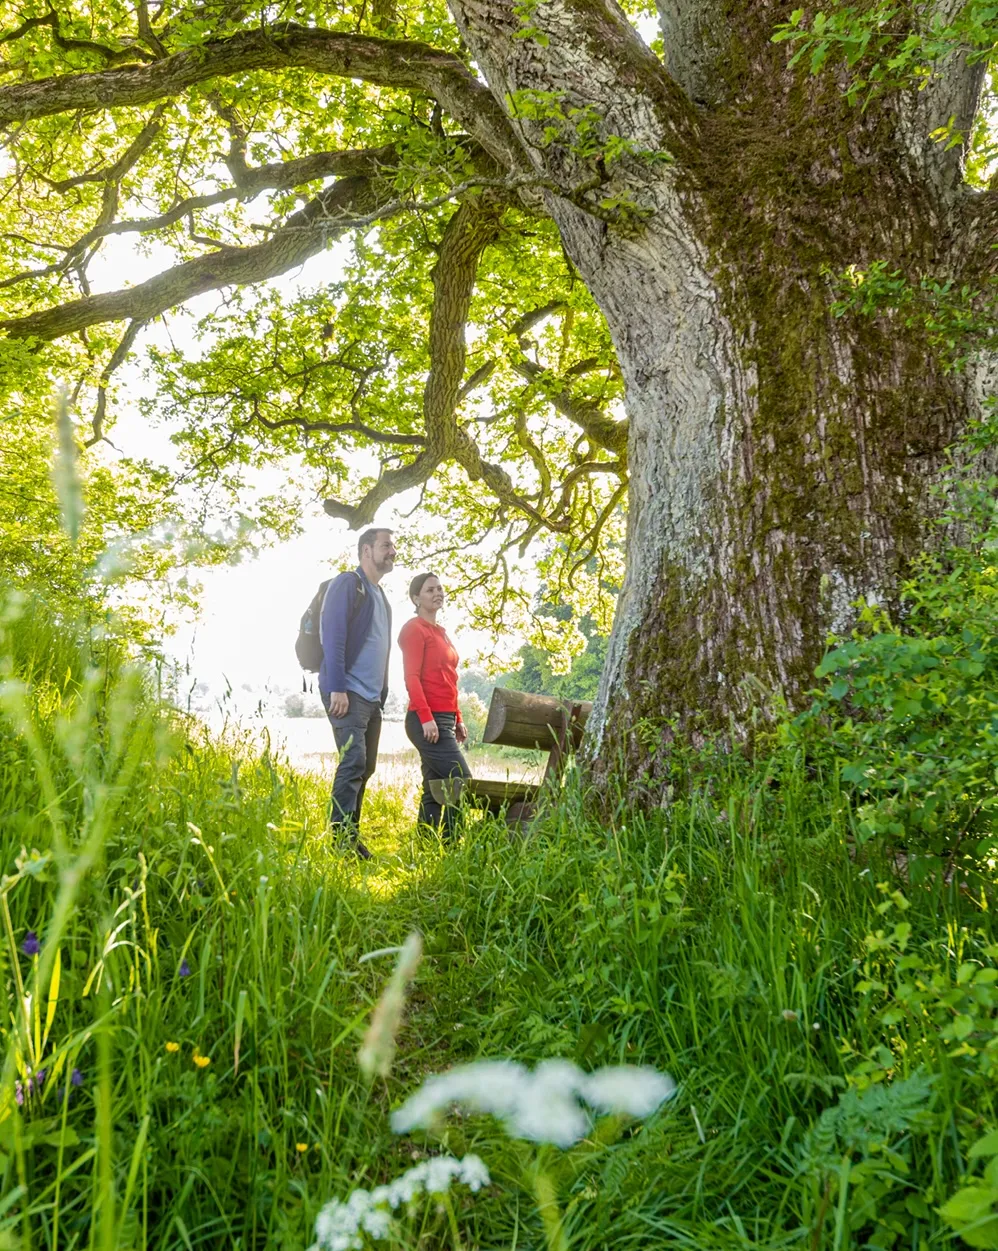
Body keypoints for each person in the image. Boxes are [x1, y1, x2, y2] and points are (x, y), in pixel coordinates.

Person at [318, 528, 396, 859]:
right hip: (346, 691)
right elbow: (332, 636)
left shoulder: (382, 597)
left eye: (393, 545)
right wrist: (337, 686)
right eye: (386, 545)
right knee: (353, 762)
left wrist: (382, 692)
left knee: (365, 767)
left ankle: (351, 836)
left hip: (370, 698)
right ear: (367, 550)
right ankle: (340, 843)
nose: (393, 550)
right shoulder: (348, 584)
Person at [398, 572, 471, 838]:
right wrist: (427, 717)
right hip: (424, 720)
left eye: (440, 588)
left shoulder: (441, 632)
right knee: (462, 781)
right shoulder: (414, 629)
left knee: (435, 786)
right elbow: (412, 678)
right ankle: (453, 843)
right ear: (416, 598)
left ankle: (426, 843)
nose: (437, 593)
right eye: (430, 590)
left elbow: (449, 679)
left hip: (444, 718)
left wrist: (457, 717)